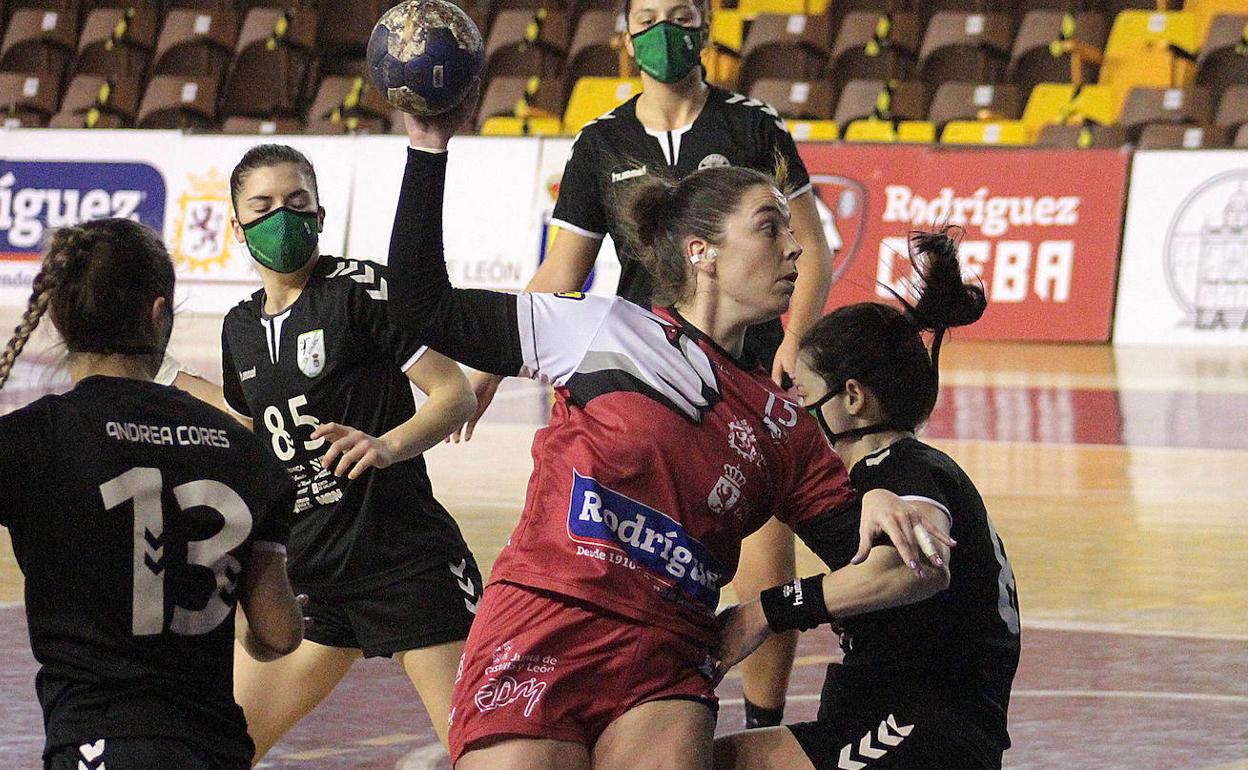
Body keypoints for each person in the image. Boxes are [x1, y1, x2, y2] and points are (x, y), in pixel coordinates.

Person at [388, 101, 948, 769]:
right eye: (768, 227)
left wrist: (876, 499)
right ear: (701, 252)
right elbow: (422, 306)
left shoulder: (782, 424)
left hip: (666, 656)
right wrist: (428, 147)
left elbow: (905, 570)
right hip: (544, 619)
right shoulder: (596, 327)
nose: (795, 246)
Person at [458, 0, 842, 727]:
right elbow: (563, 269)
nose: (667, 30)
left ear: (707, 27)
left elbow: (812, 246)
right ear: (626, 36)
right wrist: (485, 372)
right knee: (630, 562)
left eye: (683, 14)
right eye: (650, 17)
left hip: (750, 376)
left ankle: (760, 727)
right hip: (640, 382)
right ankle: (628, 701)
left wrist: (795, 340)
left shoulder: (752, 125)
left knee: (767, 566)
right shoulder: (601, 142)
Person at [0, 218, 304, 770]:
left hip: (97, 741)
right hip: (214, 748)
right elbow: (278, 635)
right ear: (158, 313)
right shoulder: (246, 451)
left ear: (56, 317)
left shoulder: (33, 439)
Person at [712, 229, 1021, 770]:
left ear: (851, 397)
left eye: (804, 396)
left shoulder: (906, 469)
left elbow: (916, 568)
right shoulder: (882, 476)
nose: (796, 413)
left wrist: (766, 611)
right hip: (898, 720)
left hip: (920, 732)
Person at [217, 144, 480, 758]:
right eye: (262, 205)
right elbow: (251, 436)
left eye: (296, 202)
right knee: (219, 747)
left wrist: (386, 446)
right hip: (310, 577)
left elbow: (455, 394)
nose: (282, 217)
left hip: (405, 563)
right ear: (236, 225)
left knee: (484, 753)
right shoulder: (239, 327)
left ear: (320, 213)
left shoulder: (359, 289)